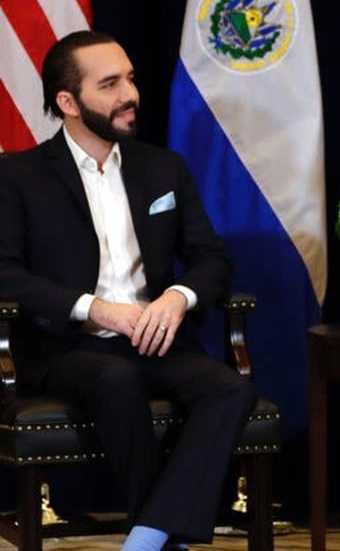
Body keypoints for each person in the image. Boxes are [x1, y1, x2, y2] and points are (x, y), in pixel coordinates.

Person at [0, 30, 258, 551]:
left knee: (230, 386)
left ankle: (148, 536)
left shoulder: (163, 167)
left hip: (156, 339)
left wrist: (177, 297)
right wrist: (96, 310)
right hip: (68, 347)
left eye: (131, 78)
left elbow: (212, 258)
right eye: (111, 83)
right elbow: (5, 274)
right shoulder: (18, 175)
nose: (130, 94)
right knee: (116, 378)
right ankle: (163, 536)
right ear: (68, 102)